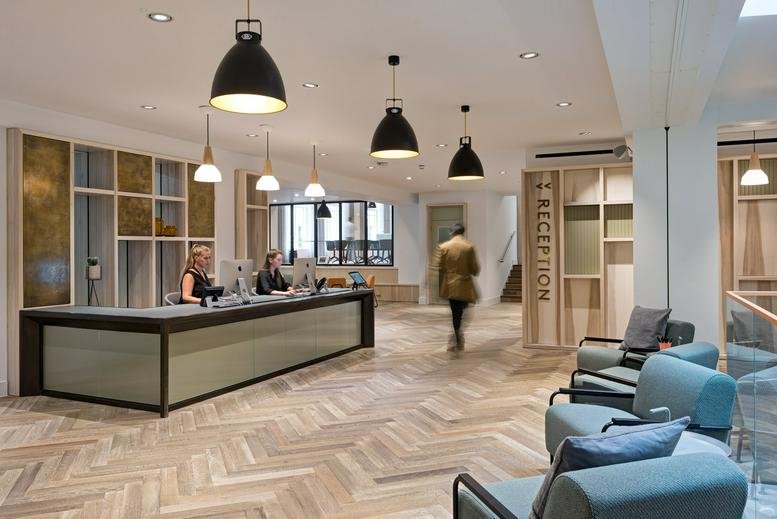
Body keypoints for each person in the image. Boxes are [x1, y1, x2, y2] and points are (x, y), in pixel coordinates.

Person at [438, 223, 480, 350]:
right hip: (465, 285)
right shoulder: (469, 247)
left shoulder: (444, 247)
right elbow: (475, 269)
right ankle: (457, 335)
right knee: (463, 312)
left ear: (452, 233)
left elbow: (441, 267)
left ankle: (456, 335)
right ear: (463, 232)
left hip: (450, 286)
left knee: (455, 312)